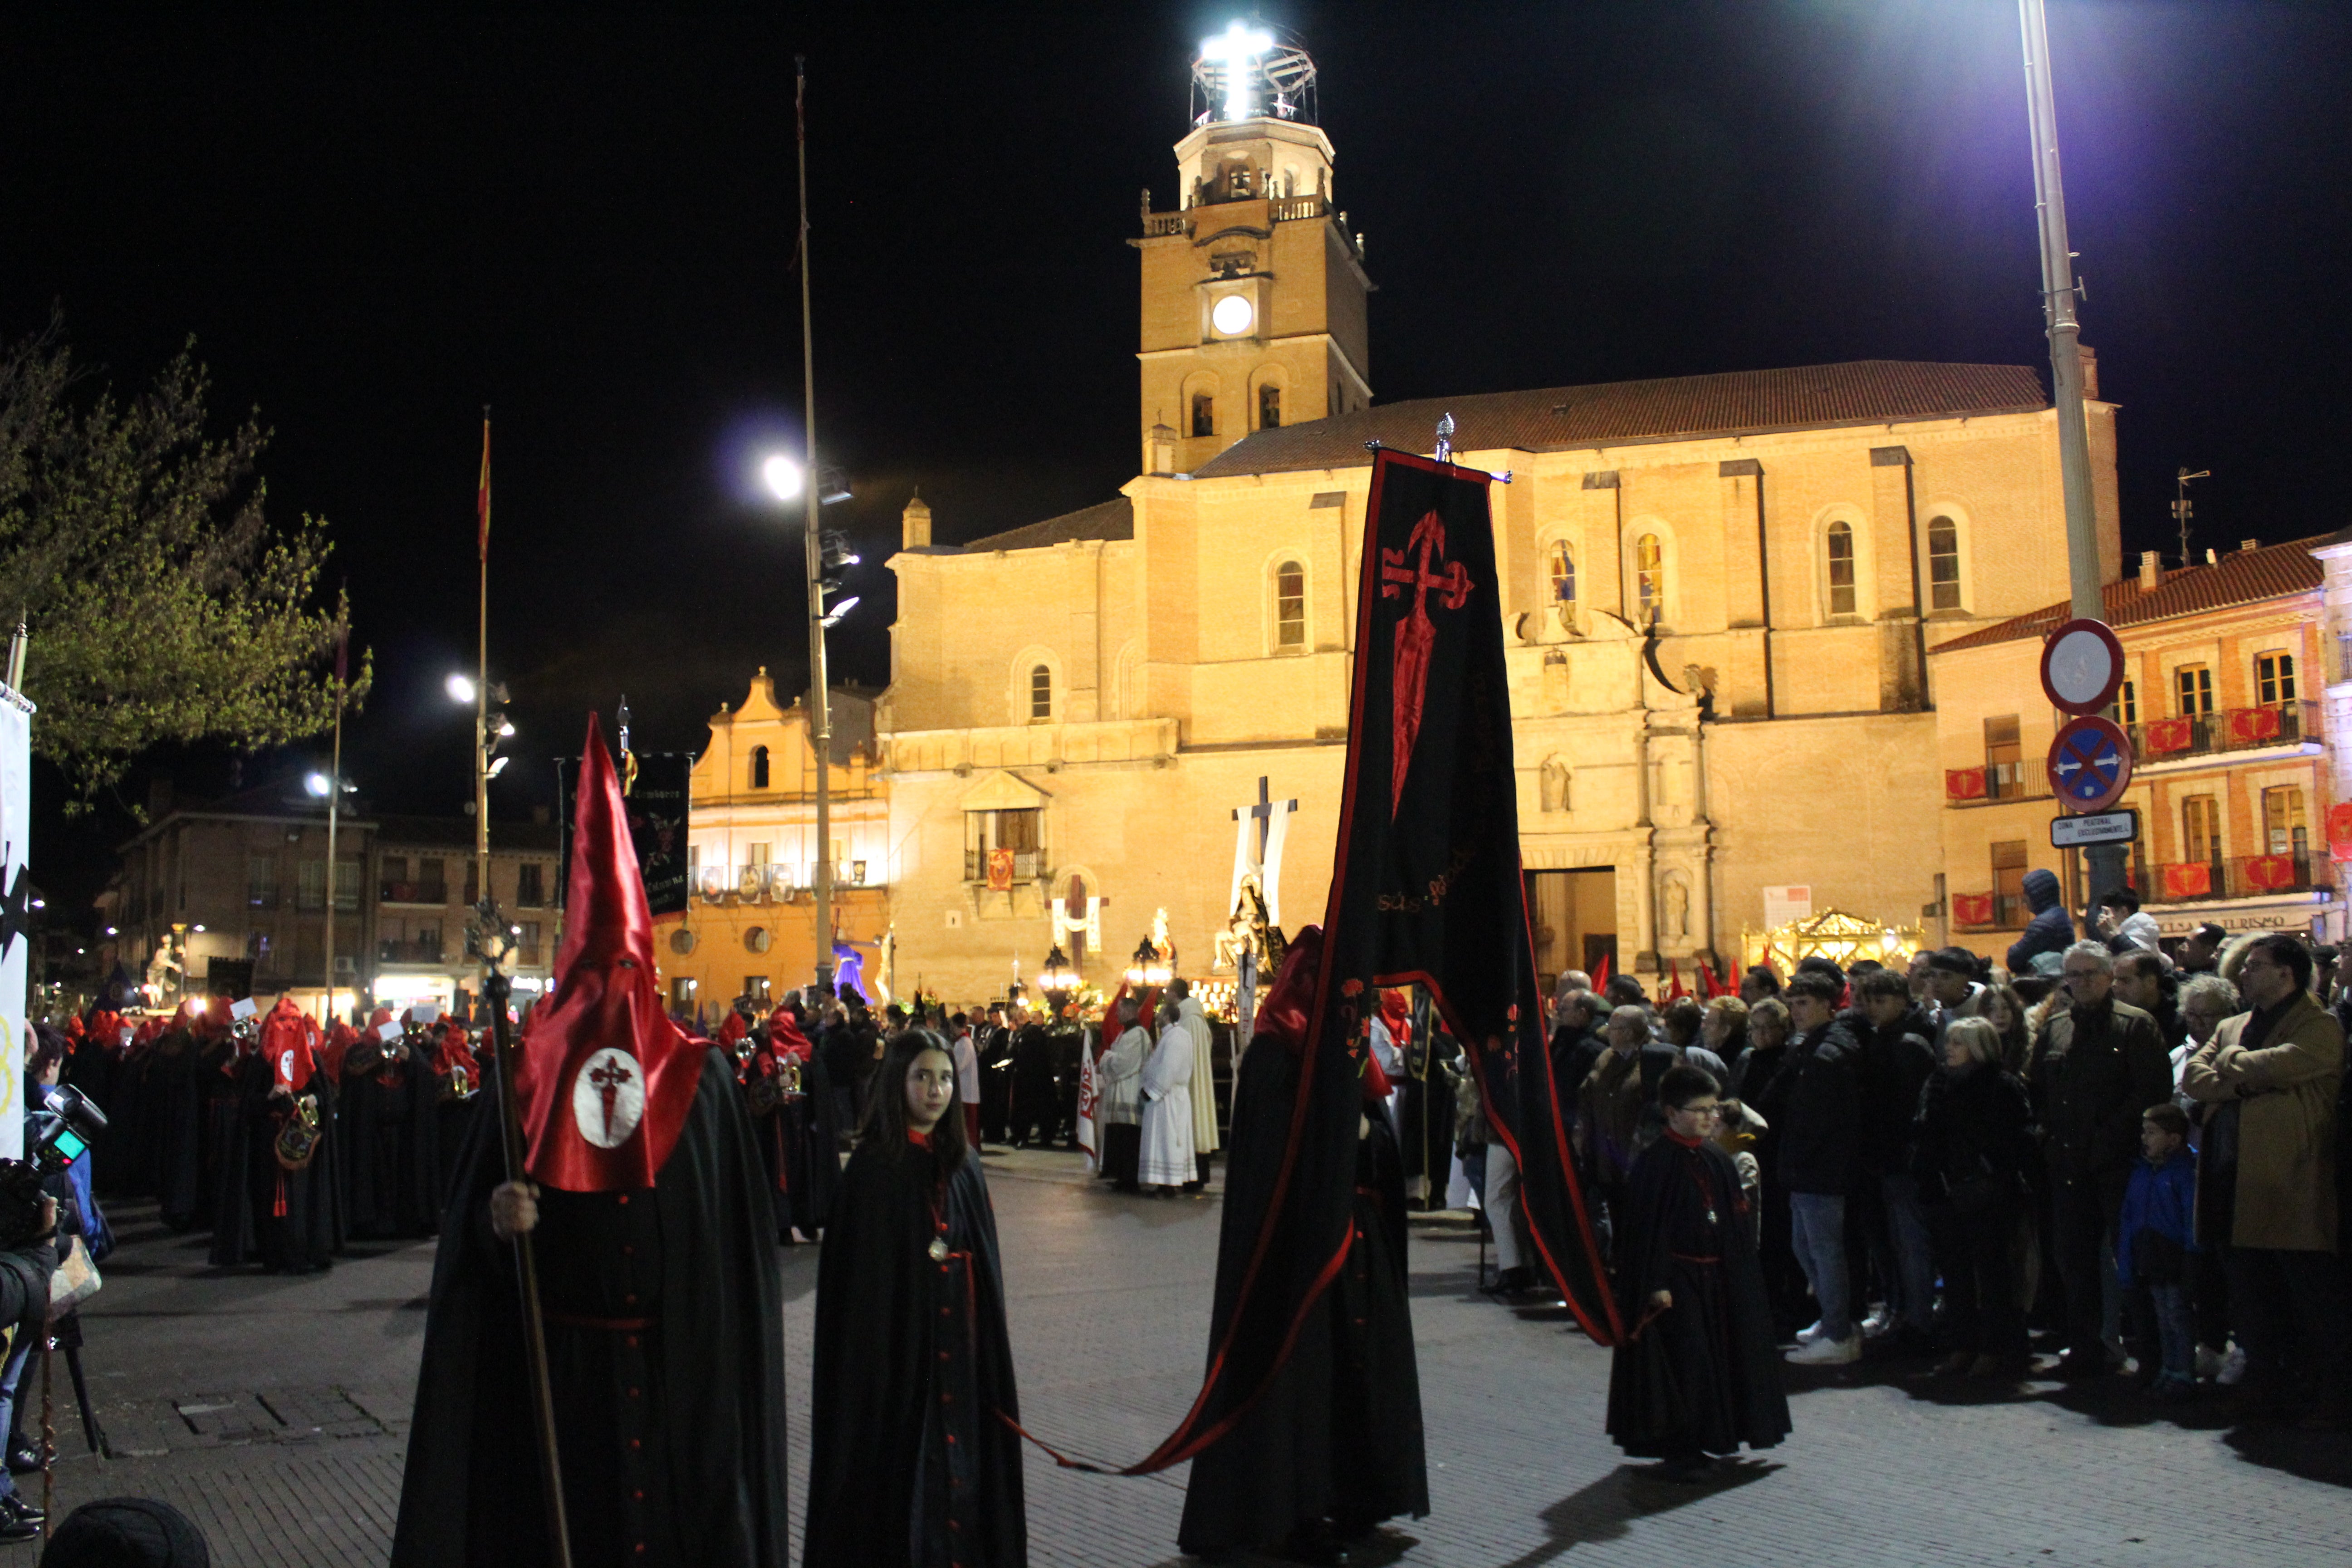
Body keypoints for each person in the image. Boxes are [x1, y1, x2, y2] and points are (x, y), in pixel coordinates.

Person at [393, 720, 788, 1567]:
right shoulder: (525, 1076)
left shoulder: (702, 1081)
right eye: (592, 975)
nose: (609, 996)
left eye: (625, 975)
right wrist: (497, 1224)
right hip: (557, 1381)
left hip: (677, 1372)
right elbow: (472, 1258)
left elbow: (732, 1253)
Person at [1176, 928, 1426, 1560]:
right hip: (1300, 1257)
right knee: (1304, 1383)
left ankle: (1360, 1493)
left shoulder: (1351, 1059)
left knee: (1357, 1372)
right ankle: (1295, 1509)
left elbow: (1375, 1144)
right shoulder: (1275, 1056)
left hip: (1358, 1246)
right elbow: (1275, 1162)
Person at [804, 1031, 1026, 1567]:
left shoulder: (965, 1166)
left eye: (946, 1078)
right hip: (897, 1375)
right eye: (923, 1077)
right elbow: (858, 1299)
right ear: (897, 1083)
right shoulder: (872, 1172)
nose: (936, 1090)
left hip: (963, 1366)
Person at [2179, 933, 2345, 1425]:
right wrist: (2248, 1079)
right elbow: (2194, 1076)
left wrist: (2230, 1071)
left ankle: (2326, 1394)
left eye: (2255, 966)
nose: (2244, 973)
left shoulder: (2320, 1026)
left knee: (2307, 1300)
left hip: (2290, 1186)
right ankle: (2267, 1387)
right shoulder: (2233, 1024)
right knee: (2252, 1300)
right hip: (2231, 1185)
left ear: (2286, 973)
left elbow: (2287, 1062)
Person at [1604, 1064, 1791, 1480]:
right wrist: (1656, 1283)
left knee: (1720, 1362)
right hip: (1678, 1283)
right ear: (1671, 1113)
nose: (1711, 1118)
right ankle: (1682, 1447)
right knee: (1687, 1367)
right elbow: (1644, 1233)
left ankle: (1717, 1436)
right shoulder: (1655, 1165)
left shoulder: (1716, 1159)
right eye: (1700, 1110)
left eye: (1715, 1109)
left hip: (1719, 1279)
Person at [2029, 941, 2172, 1380]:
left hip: (2118, 1163)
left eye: (2091, 973)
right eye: (2074, 975)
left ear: (2110, 977)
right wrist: (2051, 1138)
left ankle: (2149, 1353)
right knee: (2074, 1259)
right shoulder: (2055, 1029)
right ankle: (2087, 1348)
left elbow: (2149, 1092)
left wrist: (2108, 1139)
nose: (2082, 982)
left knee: (2131, 1261)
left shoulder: (2135, 1027)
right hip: (2069, 1165)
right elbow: (2039, 1091)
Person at [1911, 1016, 2034, 1379]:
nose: (1950, 1050)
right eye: (1949, 1042)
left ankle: (1995, 1346)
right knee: (1955, 1272)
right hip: (1945, 1188)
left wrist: (1987, 1168)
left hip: (1986, 1192)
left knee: (1993, 1272)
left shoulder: (2000, 1086)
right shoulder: (1938, 1082)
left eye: (1959, 1043)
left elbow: (2013, 1141)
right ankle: (1962, 1343)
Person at [1774, 971, 1864, 1364]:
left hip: (1820, 1168)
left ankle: (1839, 1331)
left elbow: (1823, 1118)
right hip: (1808, 1167)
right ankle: (1835, 1321)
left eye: (1804, 1003)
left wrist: (1804, 1157)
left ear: (1829, 1005)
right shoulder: (1812, 1046)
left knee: (1824, 1251)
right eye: (1792, 1003)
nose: (1796, 1011)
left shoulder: (1828, 1052)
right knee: (1807, 1246)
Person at [1851, 968, 1937, 1352]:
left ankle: (1918, 1319)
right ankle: (1901, 1310)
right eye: (1867, 1001)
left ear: (1902, 1000)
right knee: (1891, 1243)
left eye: (1880, 1001)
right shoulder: (1881, 1039)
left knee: (1911, 1243)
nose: (1872, 1008)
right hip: (1882, 1158)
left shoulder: (1909, 1044)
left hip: (1902, 1161)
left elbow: (1909, 1108)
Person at [2117, 1102, 2198, 1399]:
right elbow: (2128, 1219)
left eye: (2152, 1132)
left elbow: (2191, 1218)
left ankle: (2184, 1372)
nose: (2144, 1139)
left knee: (2177, 1314)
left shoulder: (2183, 1173)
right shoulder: (2142, 1173)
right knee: (2163, 1316)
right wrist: (2126, 1263)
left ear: (2173, 1139)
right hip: (2150, 1254)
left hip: (2172, 1256)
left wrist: (2192, 1256)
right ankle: (2169, 1368)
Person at [1140, 1000, 1198, 1193]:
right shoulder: (1169, 1036)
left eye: (1159, 1013)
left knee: (1169, 1139)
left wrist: (1152, 1091)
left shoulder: (1177, 1037)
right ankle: (1164, 1181)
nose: (1156, 1017)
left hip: (1169, 1098)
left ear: (1166, 1017)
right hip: (1166, 1096)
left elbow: (1169, 1069)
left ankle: (1170, 1184)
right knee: (1164, 1140)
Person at [1168, 978, 1220, 1185]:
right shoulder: (1197, 1017)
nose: (1165, 995)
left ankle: (1192, 1177)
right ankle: (1200, 1175)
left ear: (1175, 994)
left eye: (1167, 991)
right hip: (1201, 1078)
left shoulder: (1186, 1019)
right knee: (1200, 1120)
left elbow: (1179, 1052)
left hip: (1188, 1080)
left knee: (1191, 1123)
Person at [1093, 998, 1148, 1191]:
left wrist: (1106, 1058)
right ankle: (1121, 1177)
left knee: (1129, 1136)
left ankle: (1130, 1179)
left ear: (1129, 1012)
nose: (1116, 1015)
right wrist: (1109, 1057)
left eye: (1119, 1011)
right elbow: (1114, 1056)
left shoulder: (1138, 1034)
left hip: (1130, 1091)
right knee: (1120, 1134)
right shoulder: (1125, 1034)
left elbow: (1121, 1063)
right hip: (1120, 1090)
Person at [2005, 867, 2075, 976]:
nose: (2024, 899)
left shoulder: (2044, 924)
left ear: (2038, 894)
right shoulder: (2060, 916)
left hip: (2045, 983)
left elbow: (2015, 959)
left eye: (2026, 893)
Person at [947, 1010, 982, 1149]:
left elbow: (959, 1066)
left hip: (966, 1090)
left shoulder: (964, 1043)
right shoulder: (962, 1042)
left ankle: (970, 1147)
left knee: (968, 1122)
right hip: (964, 1089)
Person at [2094, 887, 2161, 956]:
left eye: (2107, 913)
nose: (2103, 919)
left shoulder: (2138, 937)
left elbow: (2136, 958)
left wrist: (2114, 936)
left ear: (2124, 912)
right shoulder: (2142, 935)